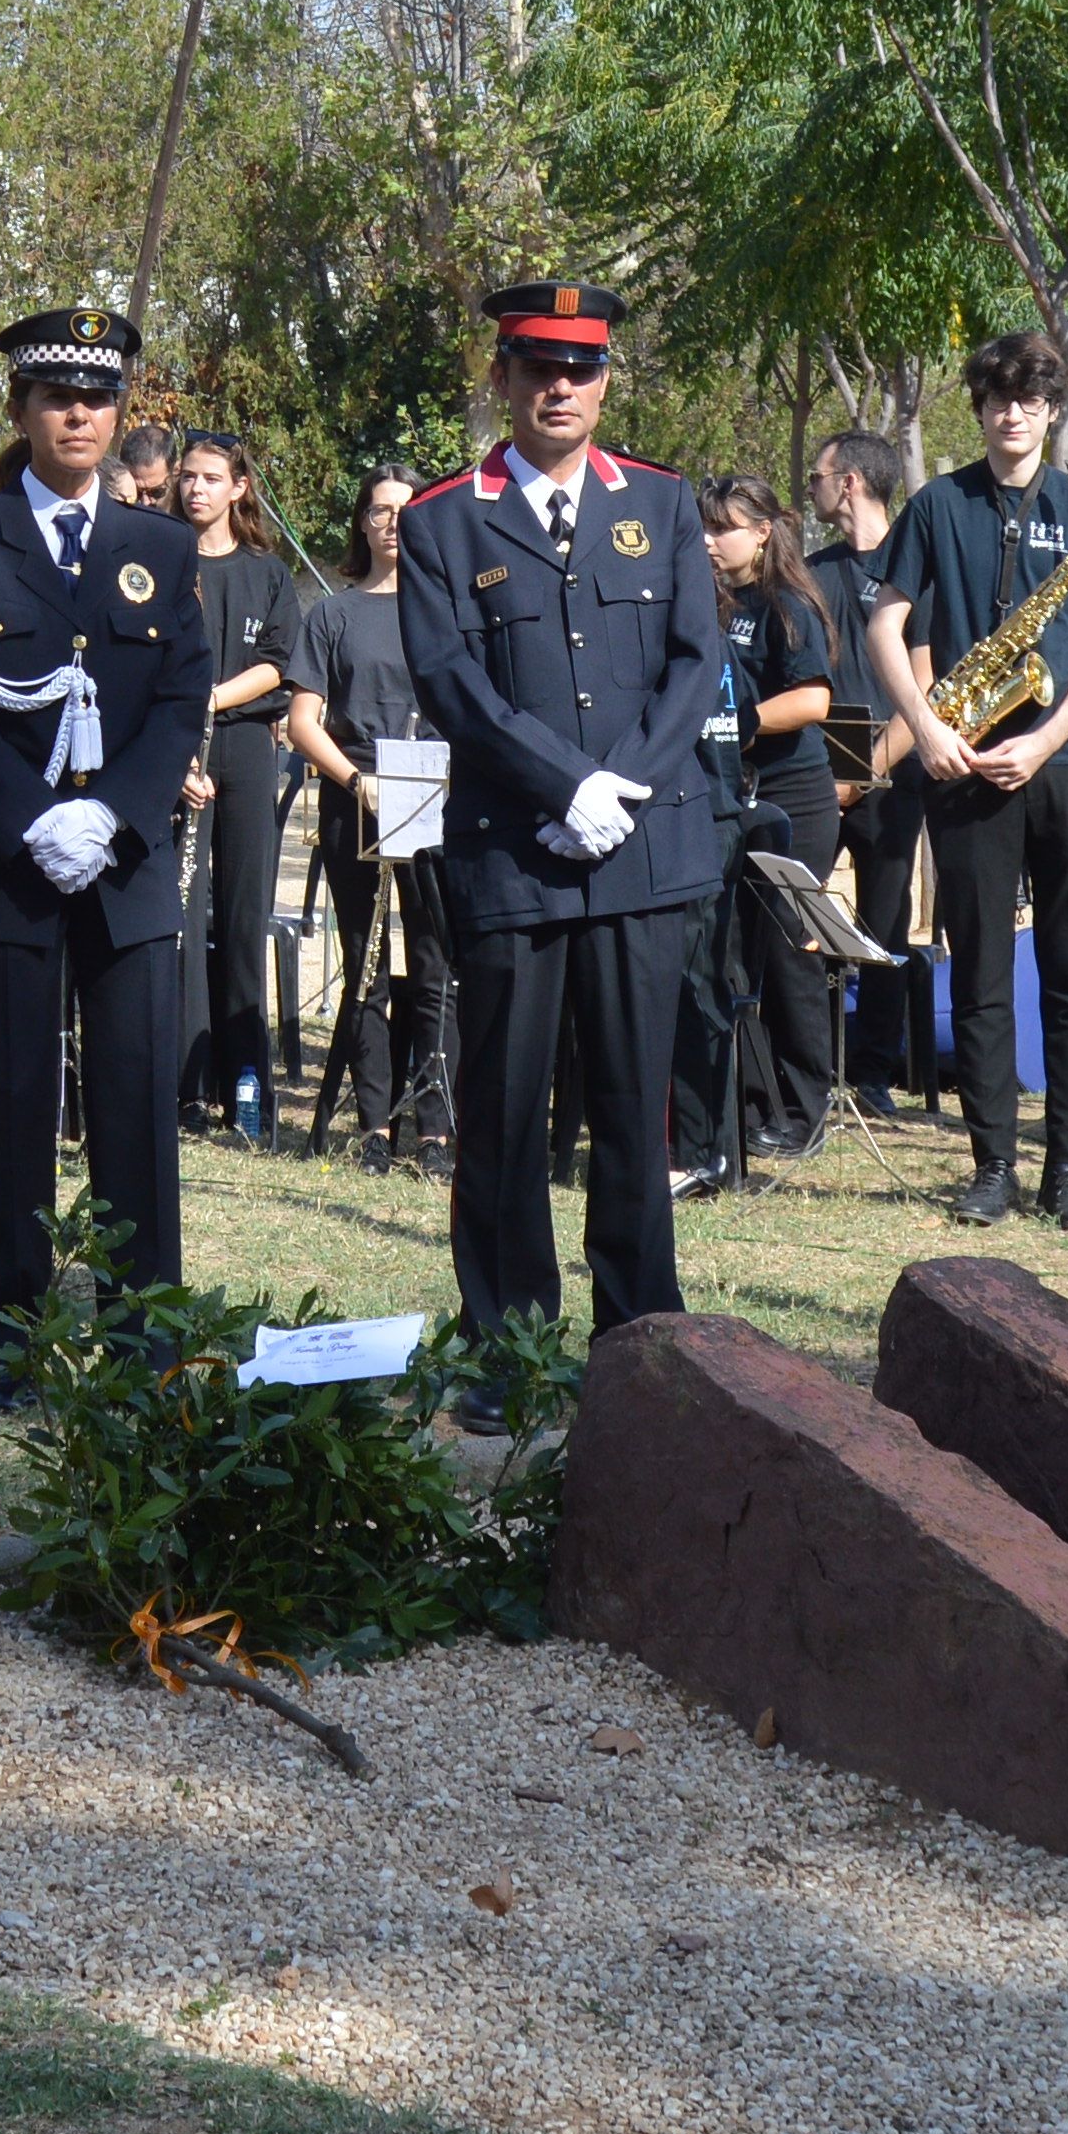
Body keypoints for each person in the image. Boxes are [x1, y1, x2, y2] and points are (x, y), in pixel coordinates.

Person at [397, 284, 727, 1361]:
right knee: (501, 1115)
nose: (558, 387)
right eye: (535, 366)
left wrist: (617, 785)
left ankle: (640, 1341)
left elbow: (694, 663)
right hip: (514, 854)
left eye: (578, 368)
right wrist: (561, 785)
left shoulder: (666, 502)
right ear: (500, 377)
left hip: (640, 844)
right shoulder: (442, 516)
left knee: (636, 1112)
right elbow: (450, 679)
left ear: (604, 380)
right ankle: (511, 1351)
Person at [0, 305, 213, 1389]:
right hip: (9, 865)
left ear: (119, 409)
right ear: (20, 409)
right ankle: (13, 1342)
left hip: (124, 869)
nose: (77, 413)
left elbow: (181, 702)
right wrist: (31, 819)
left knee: (136, 1109)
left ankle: (142, 1345)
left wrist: (113, 812)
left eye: (96, 396)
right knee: (12, 1108)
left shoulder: (162, 546)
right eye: (54, 395)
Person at [865, 331, 1068, 1230]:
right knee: (978, 971)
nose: (1013, 413)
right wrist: (926, 723)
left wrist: (1053, 736)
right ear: (979, 409)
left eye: (1030, 400)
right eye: (997, 399)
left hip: (1061, 761)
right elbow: (885, 625)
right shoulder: (937, 504)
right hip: (962, 756)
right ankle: (992, 1164)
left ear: (1051, 411)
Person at [280, 464, 441, 1170]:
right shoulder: (332, 613)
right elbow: (302, 721)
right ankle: (374, 1125)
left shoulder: (451, 612)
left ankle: (436, 1127)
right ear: (362, 523)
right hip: (358, 800)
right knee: (367, 964)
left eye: (405, 510)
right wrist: (355, 779)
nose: (392, 522)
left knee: (438, 965)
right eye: (379, 511)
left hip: (437, 798)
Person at [170, 430, 308, 1146]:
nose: (197, 488)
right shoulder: (159, 559)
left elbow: (278, 665)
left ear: (238, 488)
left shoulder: (267, 572)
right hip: (175, 748)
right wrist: (178, 751)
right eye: (188, 476)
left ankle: (245, 1091)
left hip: (246, 743)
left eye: (211, 477)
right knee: (183, 917)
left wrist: (212, 701)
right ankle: (185, 1092)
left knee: (245, 913)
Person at [702, 472, 844, 1160]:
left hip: (796, 797)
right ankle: (747, 1100)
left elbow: (813, 700)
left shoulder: (788, 602)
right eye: (702, 527)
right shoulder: (708, 602)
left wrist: (738, 723)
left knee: (790, 954)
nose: (708, 540)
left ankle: (803, 1108)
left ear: (761, 531)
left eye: (721, 527)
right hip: (730, 797)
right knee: (734, 952)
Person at [807, 433, 926, 1111]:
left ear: (849, 482)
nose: (813, 487)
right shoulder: (812, 572)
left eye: (820, 476)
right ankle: (809, 1063)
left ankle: (875, 1072)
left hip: (891, 773)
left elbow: (929, 687)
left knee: (885, 922)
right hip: (815, 774)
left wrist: (864, 773)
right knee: (800, 912)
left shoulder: (915, 566)